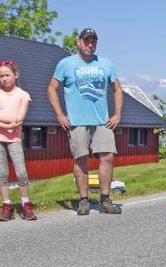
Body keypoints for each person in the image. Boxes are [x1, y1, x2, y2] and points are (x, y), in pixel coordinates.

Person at [47, 27, 123, 215]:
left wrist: (117, 114)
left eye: (93, 41)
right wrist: (60, 115)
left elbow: (118, 89)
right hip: (77, 121)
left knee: (107, 157)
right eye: (87, 41)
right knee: (81, 159)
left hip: (101, 121)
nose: (90, 45)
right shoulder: (66, 64)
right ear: (78, 42)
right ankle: (83, 200)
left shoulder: (105, 64)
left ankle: (105, 200)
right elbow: (51, 89)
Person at [0, 60, 36, 221]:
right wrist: (6, 123)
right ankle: (6, 205)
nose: (4, 79)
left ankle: (26, 205)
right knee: (3, 173)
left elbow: (18, 119)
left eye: (7, 75)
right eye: (1, 76)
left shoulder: (23, 95)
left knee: (21, 172)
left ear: (15, 75)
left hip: (14, 138)